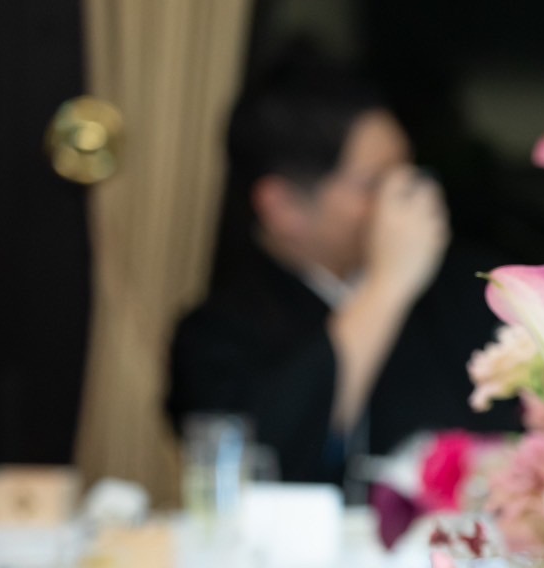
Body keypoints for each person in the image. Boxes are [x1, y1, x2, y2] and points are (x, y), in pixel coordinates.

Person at [168, 55, 518, 486]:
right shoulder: (216, 335)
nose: (404, 198)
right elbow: (262, 464)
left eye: (406, 171)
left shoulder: (469, 292)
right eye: (373, 184)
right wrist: (386, 288)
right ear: (284, 206)